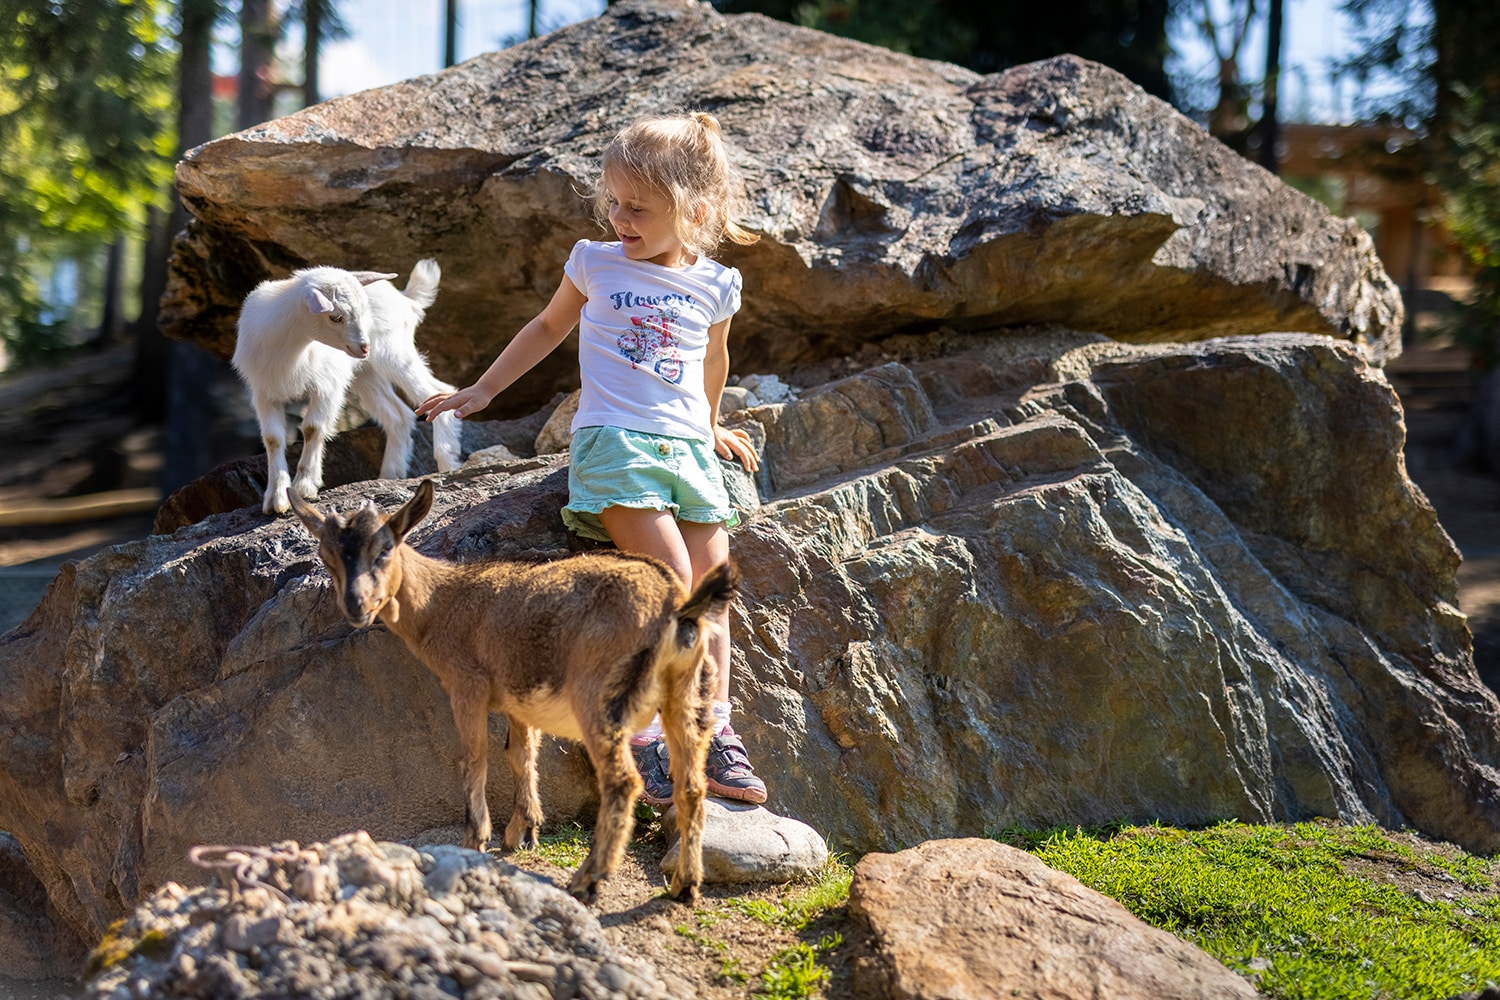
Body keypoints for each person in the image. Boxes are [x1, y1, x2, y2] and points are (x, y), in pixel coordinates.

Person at [415, 111, 767, 806]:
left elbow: (714, 358)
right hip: (617, 444)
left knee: (711, 591)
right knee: (662, 589)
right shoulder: (594, 262)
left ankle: (709, 728)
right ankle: (641, 736)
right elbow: (547, 326)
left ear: (692, 211)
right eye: (613, 201)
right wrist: (484, 388)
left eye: (638, 207)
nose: (619, 217)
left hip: (687, 449)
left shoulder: (715, 285)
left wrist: (712, 422)